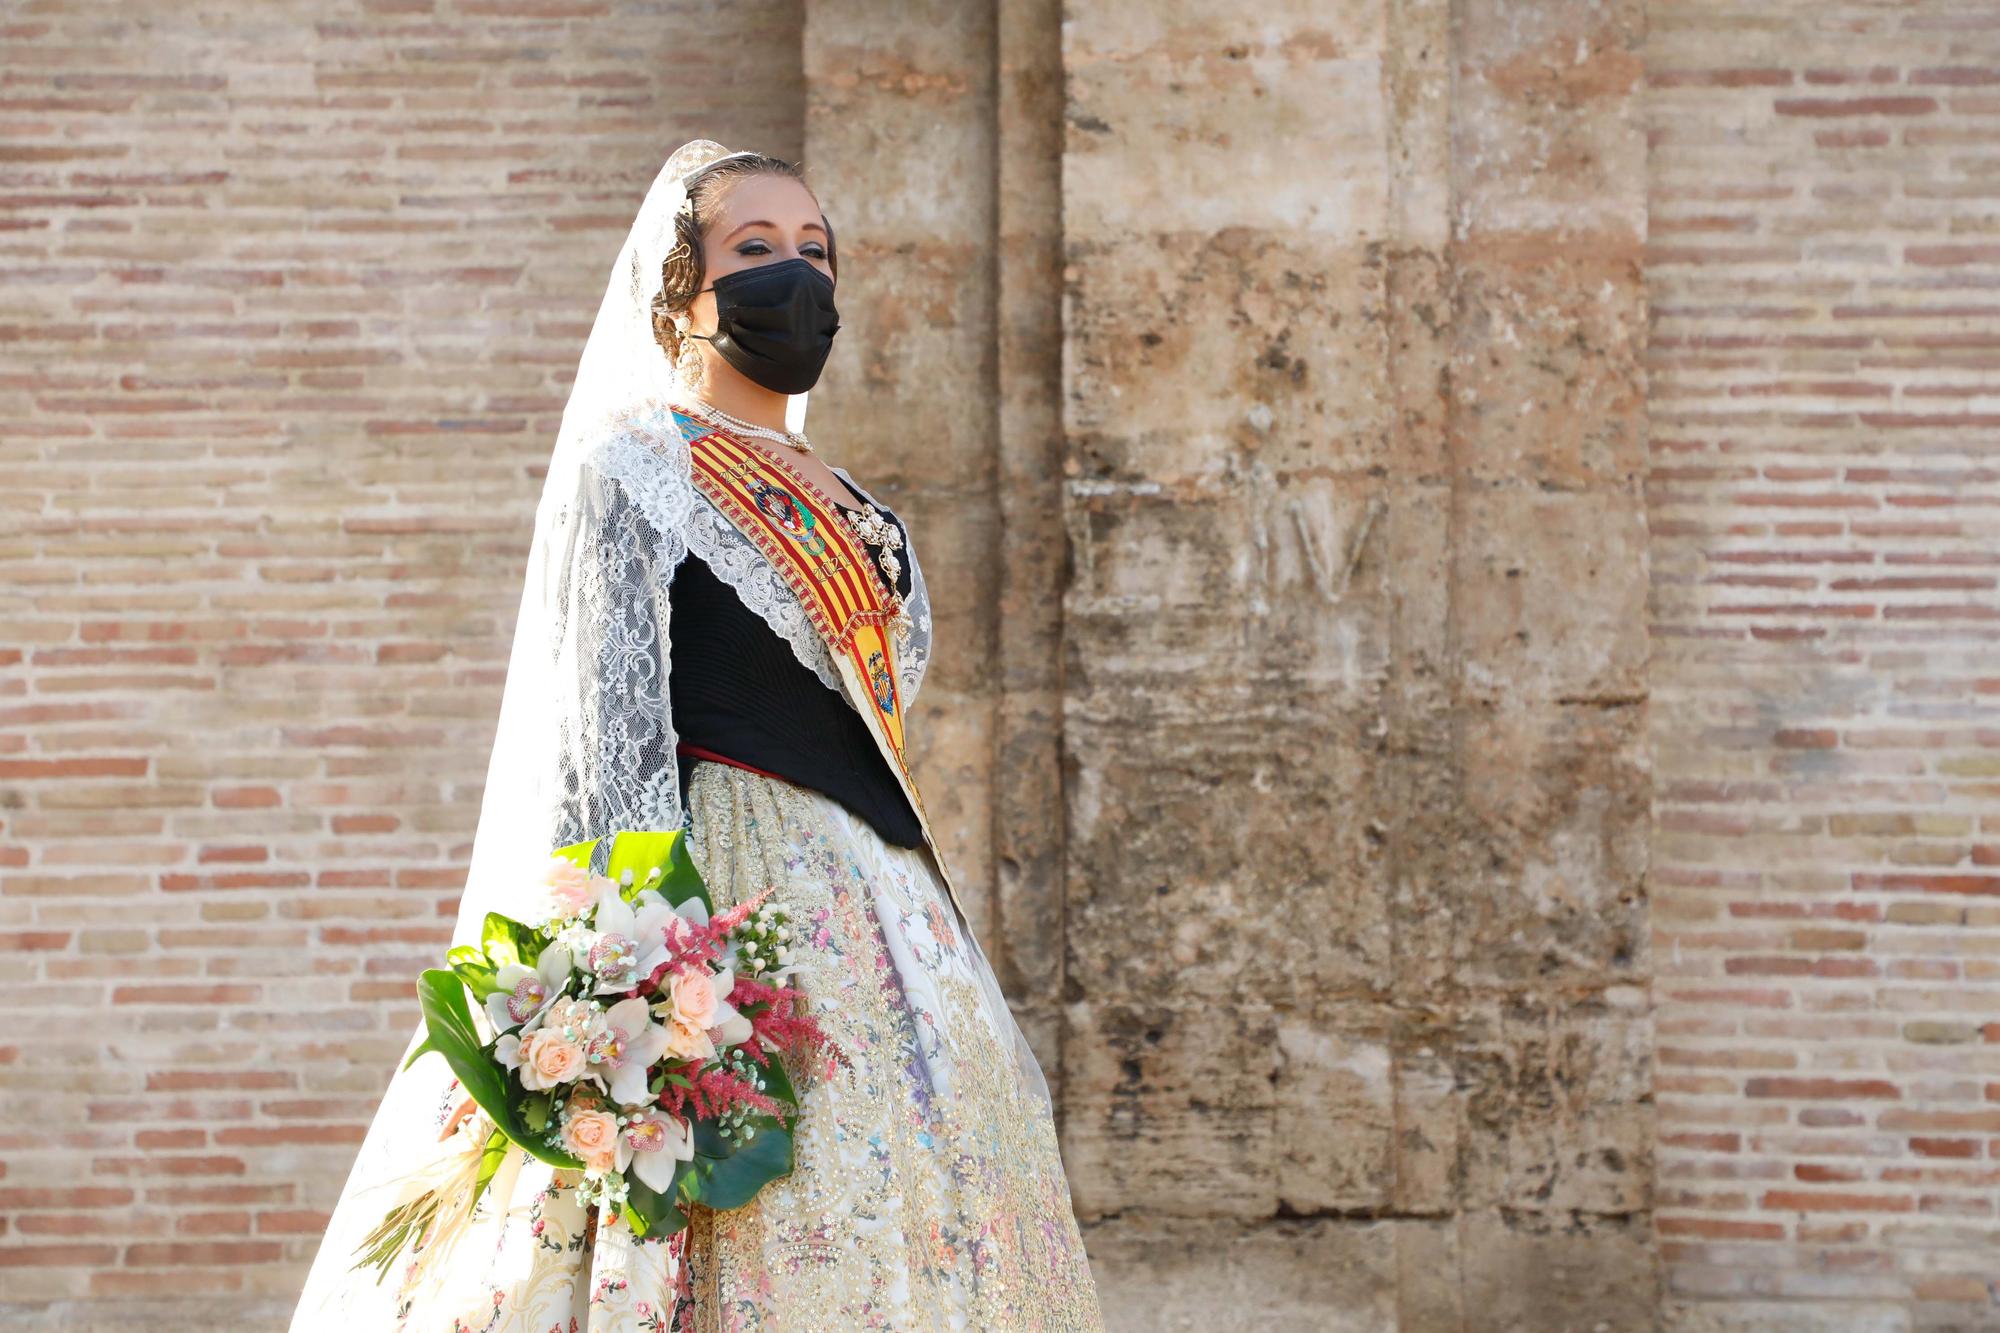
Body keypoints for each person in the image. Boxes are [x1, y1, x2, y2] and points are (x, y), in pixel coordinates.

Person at [287, 138, 1104, 1331]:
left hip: (886, 908)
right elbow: (607, 732)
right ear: (681, 290)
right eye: (755, 249)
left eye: (815, 251)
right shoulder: (640, 467)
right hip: (718, 894)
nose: (796, 276)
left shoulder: (860, 513)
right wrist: (644, 979)